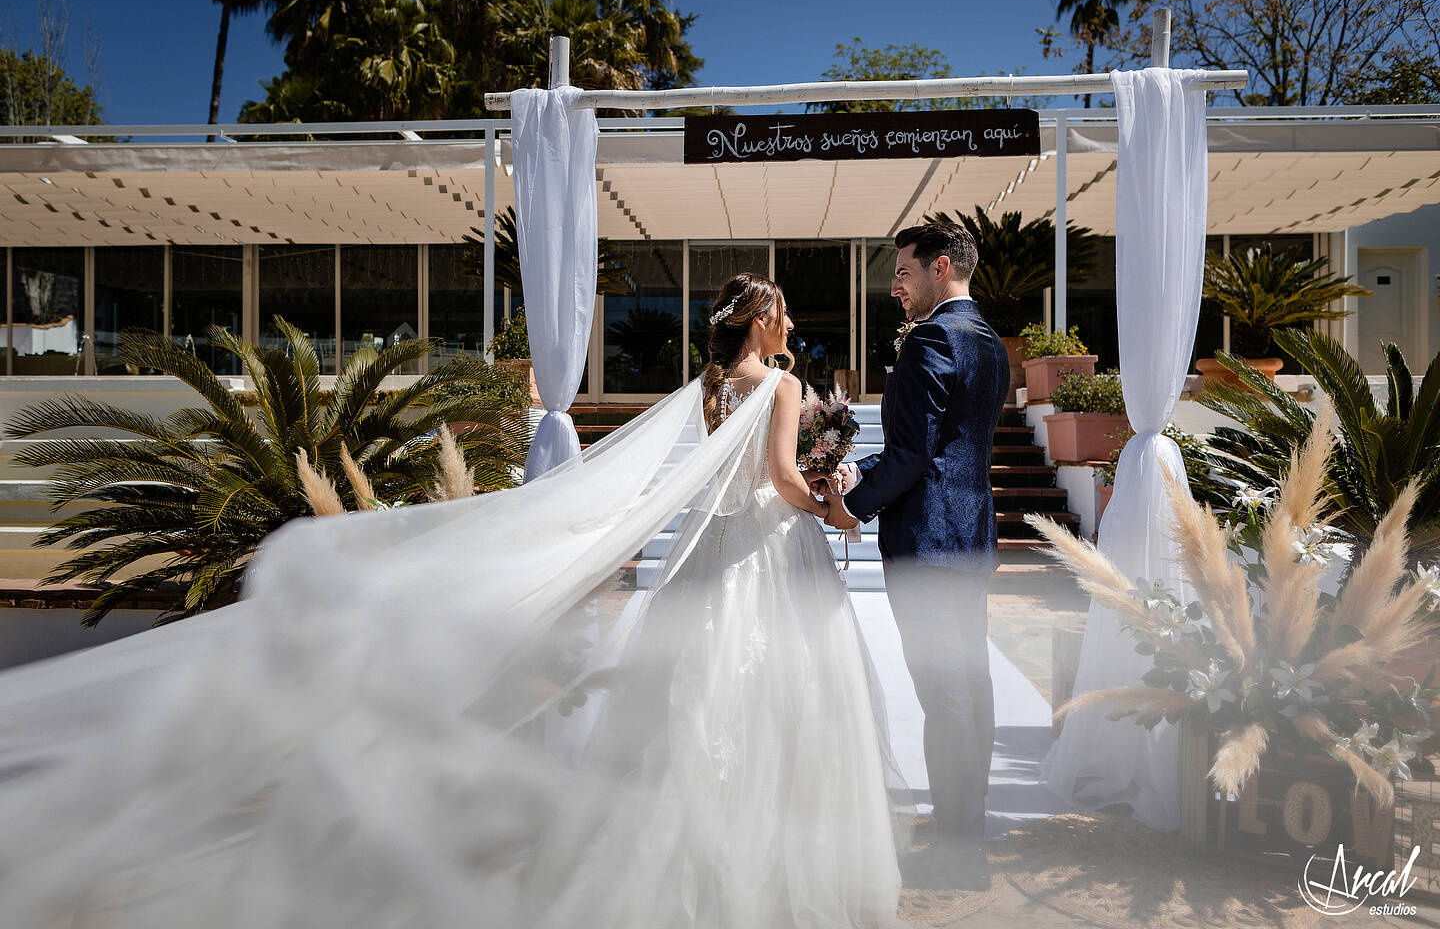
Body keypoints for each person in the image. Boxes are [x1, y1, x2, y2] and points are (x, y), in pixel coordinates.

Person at [0, 272, 911, 929]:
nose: (790, 317)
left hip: (712, 557)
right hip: (765, 552)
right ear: (761, 324)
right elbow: (785, 479)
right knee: (782, 700)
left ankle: (691, 866)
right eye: (782, 308)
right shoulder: (786, 384)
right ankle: (775, 873)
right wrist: (835, 502)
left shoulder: (713, 387)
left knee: (697, 705)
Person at [817, 222, 1010, 891]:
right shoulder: (987, 340)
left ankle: (958, 856)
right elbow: (946, 443)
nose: (893, 283)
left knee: (945, 698)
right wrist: (858, 470)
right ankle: (966, 837)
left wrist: (852, 504)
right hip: (969, 538)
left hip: (929, 543)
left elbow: (914, 453)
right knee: (969, 695)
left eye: (903, 270)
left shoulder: (933, 338)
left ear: (940, 266)